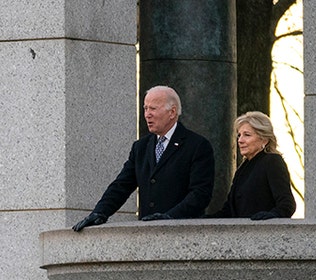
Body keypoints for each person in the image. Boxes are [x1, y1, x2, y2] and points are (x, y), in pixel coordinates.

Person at [73, 85, 215, 231]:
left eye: (153, 109)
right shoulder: (141, 147)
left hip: (182, 232)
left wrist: (169, 217)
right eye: (145, 108)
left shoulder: (197, 145)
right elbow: (121, 185)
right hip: (147, 233)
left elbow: (200, 194)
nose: (147, 114)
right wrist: (100, 212)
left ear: (172, 112)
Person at [207, 111, 295, 220]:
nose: (240, 140)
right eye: (239, 135)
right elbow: (229, 210)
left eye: (247, 135)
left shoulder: (272, 162)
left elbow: (287, 205)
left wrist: (270, 217)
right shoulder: (243, 168)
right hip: (240, 233)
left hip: (262, 233)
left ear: (264, 139)